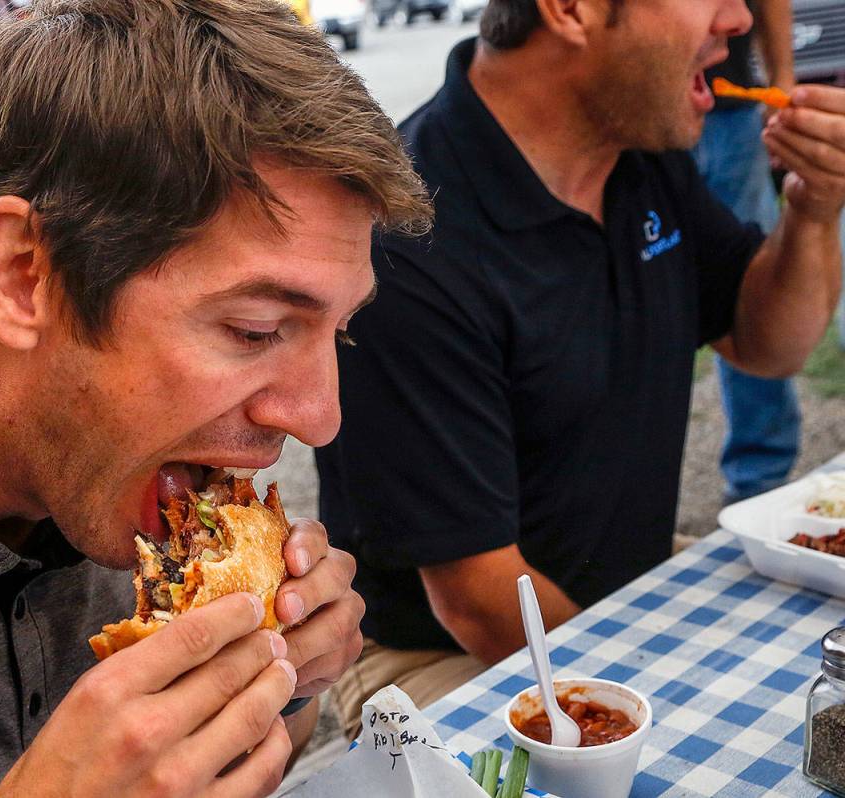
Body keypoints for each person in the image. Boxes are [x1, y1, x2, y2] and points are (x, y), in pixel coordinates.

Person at [0, 0, 432, 794]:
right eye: (255, 329)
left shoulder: (131, 482)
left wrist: (283, 682)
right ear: (21, 277)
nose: (319, 418)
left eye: (338, 333)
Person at [316, 0, 845, 738]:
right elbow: (475, 595)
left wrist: (814, 209)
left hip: (626, 588)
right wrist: (663, 708)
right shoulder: (411, 240)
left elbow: (767, 345)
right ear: (572, 9)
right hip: (445, 651)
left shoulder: (639, 152)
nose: (739, 18)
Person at [693, 0, 801, 504]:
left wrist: (781, 81)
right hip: (642, 117)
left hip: (731, 118)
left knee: (753, 293)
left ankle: (761, 481)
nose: (737, 19)